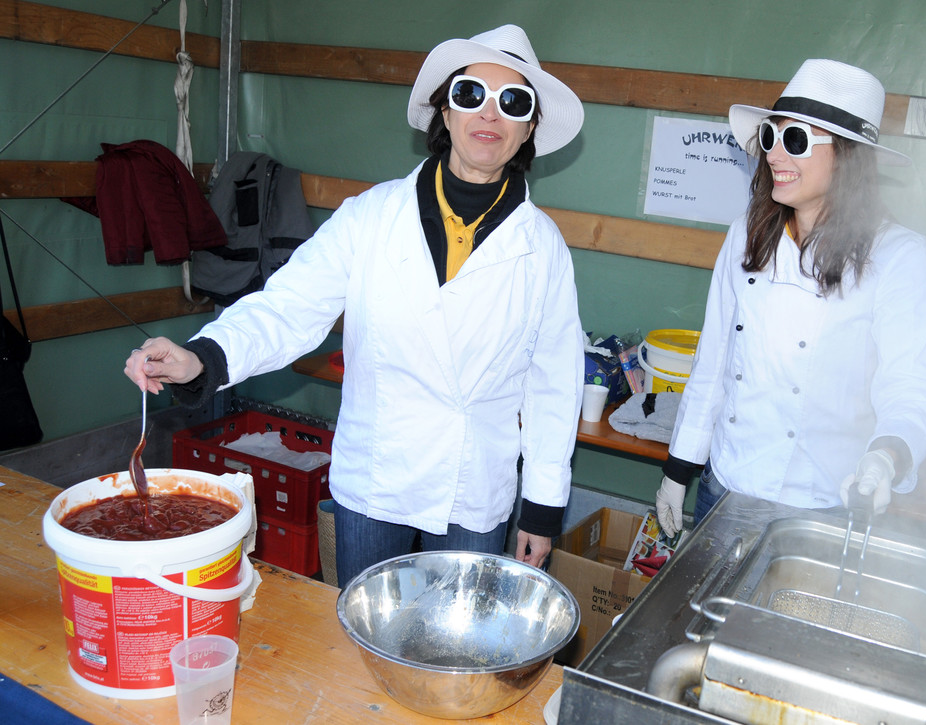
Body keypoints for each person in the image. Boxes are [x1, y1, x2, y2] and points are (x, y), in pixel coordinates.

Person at [125, 25, 587, 587]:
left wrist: (542, 507)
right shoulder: (370, 216)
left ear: (529, 127)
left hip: (472, 490)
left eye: (513, 101)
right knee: (361, 630)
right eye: (470, 94)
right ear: (445, 112)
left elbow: (554, 382)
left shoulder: (543, 248)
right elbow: (289, 306)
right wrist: (203, 358)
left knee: (454, 635)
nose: (489, 113)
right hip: (376, 479)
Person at [655, 59, 926, 535]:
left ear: (848, 157)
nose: (773, 155)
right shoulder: (747, 235)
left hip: (821, 506)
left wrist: (885, 457)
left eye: (795, 140)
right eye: (770, 136)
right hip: (725, 486)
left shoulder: (899, 257)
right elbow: (714, 362)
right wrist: (678, 468)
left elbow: (913, 386)